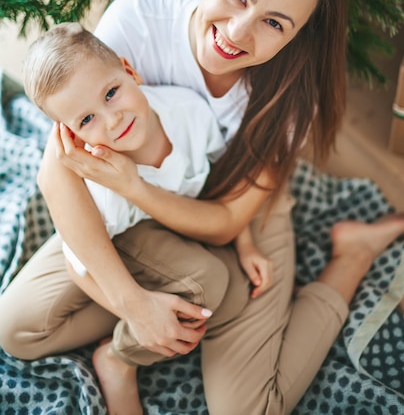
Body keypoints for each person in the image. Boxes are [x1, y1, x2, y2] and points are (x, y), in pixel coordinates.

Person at [1, 0, 404, 415]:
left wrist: (139, 192)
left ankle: (349, 256)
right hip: (132, 211)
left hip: (226, 206)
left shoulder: (287, 97)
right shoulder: (138, 20)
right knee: (17, 330)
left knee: (250, 409)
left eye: (274, 23)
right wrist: (134, 305)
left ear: (296, 34)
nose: (237, 33)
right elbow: (57, 170)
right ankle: (160, 319)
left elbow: (225, 222)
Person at [19, 21, 273, 414]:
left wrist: (247, 241)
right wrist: (135, 312)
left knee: (217, 289)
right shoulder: (101, 190)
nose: (113, 119)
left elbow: (223, 182)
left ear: (129, 71)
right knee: (17, 335)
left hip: (167, 226)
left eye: (111, 93)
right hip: (117, 238)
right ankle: (128, 337)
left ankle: (119, 357)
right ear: (70, 136)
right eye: (87, 121)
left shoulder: (188, 113)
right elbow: (82, 267)